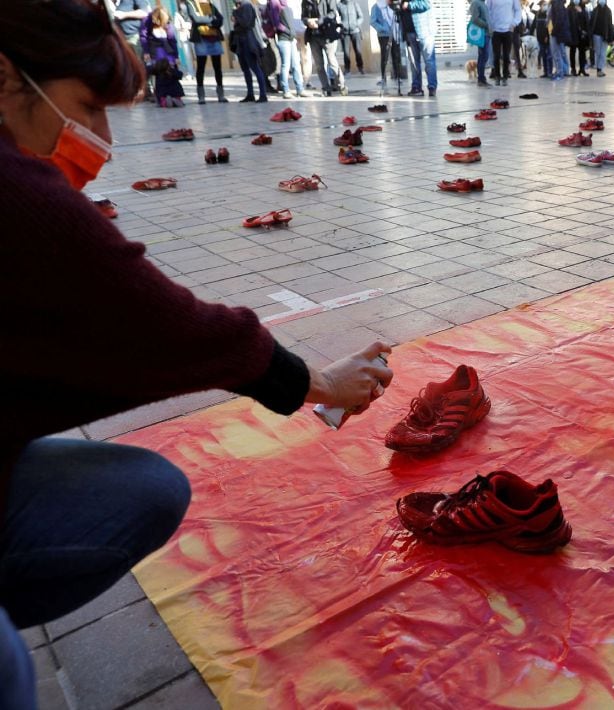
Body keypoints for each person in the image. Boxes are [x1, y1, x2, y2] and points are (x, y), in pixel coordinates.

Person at [0, 2, 394, 706]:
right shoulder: (17, 196)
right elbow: (164, 323)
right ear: (7, 77)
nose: (100, 137)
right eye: (88, 105)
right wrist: (319, 384)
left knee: (145, 488)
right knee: (7, 671)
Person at [180, 1, 228, 103]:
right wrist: (211, 20)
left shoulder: (211, 5)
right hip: (201, 39)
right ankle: (201, 96)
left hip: (214, 38)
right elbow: (196, 19)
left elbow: (221, 20)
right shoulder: (191, 4)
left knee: (217, 68)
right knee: (201, 67)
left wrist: (207, 21)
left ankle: (221, 94)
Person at [141, 6, 185, 107]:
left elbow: (172, 40)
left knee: (170, 75)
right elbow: (144, 36)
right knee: (160, 75)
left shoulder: (168, 25)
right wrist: (146, 52)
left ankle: (172, 98)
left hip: (167, 52)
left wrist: (176, 56)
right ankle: (164, 98)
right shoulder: (147, 21)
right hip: (156, 52)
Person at [302, 0, 347, 96]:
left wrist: (319, 21)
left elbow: (332, 13)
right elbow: (303, 16)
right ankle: (326, 88)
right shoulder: (306, 1)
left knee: (332, 61)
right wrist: (308, 21)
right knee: (319, 65)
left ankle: (341, 85)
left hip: (327, 35)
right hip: (313, 36)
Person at [267, 0, 308, 97]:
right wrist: (289, 32)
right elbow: (277, 24)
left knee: (296, 64)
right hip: (283, 39)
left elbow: (290, 22)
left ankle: (300, 89)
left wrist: (293, 33)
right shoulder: (274, 3)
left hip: (291, 39)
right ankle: (285, 90)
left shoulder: (286, 5)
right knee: (285, 65)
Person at [232, 0, 270, 102]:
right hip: (240, 42)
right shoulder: (240, 7)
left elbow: (246, 23)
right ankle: (250, 94)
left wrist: (235, 13)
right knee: (245, 69)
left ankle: (263, 94)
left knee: (255, 67)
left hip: (248, 41)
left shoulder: (247, 5)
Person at [403, 0, 437, 96]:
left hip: (425, 31)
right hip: (409, 33)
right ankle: (416, 87)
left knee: (429, 61)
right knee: (414, 62)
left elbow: (426, 4)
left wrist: (409, 5)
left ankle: (432, 87)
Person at [488, 0, 522, 86]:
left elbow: (518, 10)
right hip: (496, 30)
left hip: (508, 30)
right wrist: (491, 25)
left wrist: (514, 23)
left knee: (506, 56)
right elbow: (488, 10)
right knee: (496, 55)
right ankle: (497, 76)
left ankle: (505, 76)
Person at [370, 0, 401, 87]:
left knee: (396, 55)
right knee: (385, 56)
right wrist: (382, 28)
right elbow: (373, 21)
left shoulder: (392, 5)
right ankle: (383, 77)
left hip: (394, 33)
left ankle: (397, 76)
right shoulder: (376, 7)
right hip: (383, 35)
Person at [337, 0, 364, 75]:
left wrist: (356, 24)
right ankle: (347, 69)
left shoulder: (354, 4)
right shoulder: (339, 5)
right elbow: (336, 18)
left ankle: (360, 68)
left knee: (358, 50)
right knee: (346, 52)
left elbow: (361, 17)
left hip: (355, 31)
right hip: (345, 32)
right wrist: (341, 25)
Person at [549, 0, 571, 79]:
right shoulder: (559, 3)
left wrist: (554, 31)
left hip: (557, 33)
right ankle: (562, 71)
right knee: (559, 53)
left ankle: (560, 72)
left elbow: (559, 19)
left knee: (557, 53)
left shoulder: (557, 3)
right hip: (559, 32)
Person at [471, 0, 492, 86]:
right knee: (483, 56)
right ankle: (481, 79)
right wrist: (486, 25)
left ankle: (481, 78)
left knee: (484, 56)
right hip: (482, 34)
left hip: (486, 34)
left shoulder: (483, 3)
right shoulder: (476, 3)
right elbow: (475, 19)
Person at [590, 0, 612, 77]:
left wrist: (610, 36)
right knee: (598, 52)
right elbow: (591, 23)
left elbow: (610, 24)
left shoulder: (608, 10)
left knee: (603, 53)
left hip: (605, 35)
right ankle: (598, 68)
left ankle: (600, 69)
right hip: (596, 34)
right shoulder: (595, 10)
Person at [567, 0, 588, 76]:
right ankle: (573, 69)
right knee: (573, 51)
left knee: (582, 52)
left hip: (582, 34)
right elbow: (568, 21)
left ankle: (582, 69)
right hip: (573, 33)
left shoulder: (583, 8)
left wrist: (581, 12)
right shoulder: (569, 8)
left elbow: (586, 20)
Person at [534, 0, 552, 77]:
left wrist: (547, 36)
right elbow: (533, 25)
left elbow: (549, 27)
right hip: (539, 38)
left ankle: (550, 72)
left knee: (549, 55)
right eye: (542, 5)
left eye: (545, 5)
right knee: (543, 55)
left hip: (547, 38)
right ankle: (545, 72)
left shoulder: (548, 14)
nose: (544, 6)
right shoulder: (537, 14)